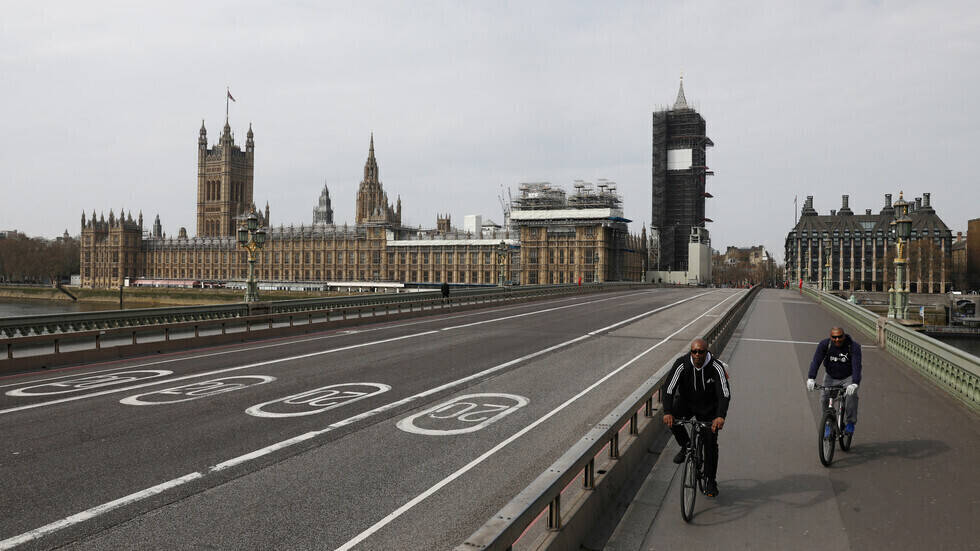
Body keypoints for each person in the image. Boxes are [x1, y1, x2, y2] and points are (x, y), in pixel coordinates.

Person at [662, 338, 731, 498]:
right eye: (694, 351)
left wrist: (720, 416)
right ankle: (686, 446)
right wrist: (667, 411)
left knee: (710, 442)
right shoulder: (682, 364)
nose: (697, 355)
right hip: (687, 402)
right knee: (673, 418)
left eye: (701, 351)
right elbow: (669, 388)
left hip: (708, 407)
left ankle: (711, 480)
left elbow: (724, 394)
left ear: (707, 352)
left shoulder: (716, 367)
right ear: (691, 352)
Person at [806, 326, 862, 434]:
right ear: (830, 337)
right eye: (834, 337)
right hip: (831, 376)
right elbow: (816, 361)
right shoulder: (824, 345)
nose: (837, 339)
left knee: (851, 396)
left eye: (840, 337)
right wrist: (811, 378)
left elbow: (857, 366)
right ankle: (828, 423)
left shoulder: (853, 346)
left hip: (848, 376)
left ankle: (850, 422)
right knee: (824, 399)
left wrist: (855, 383)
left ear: (844, 336)